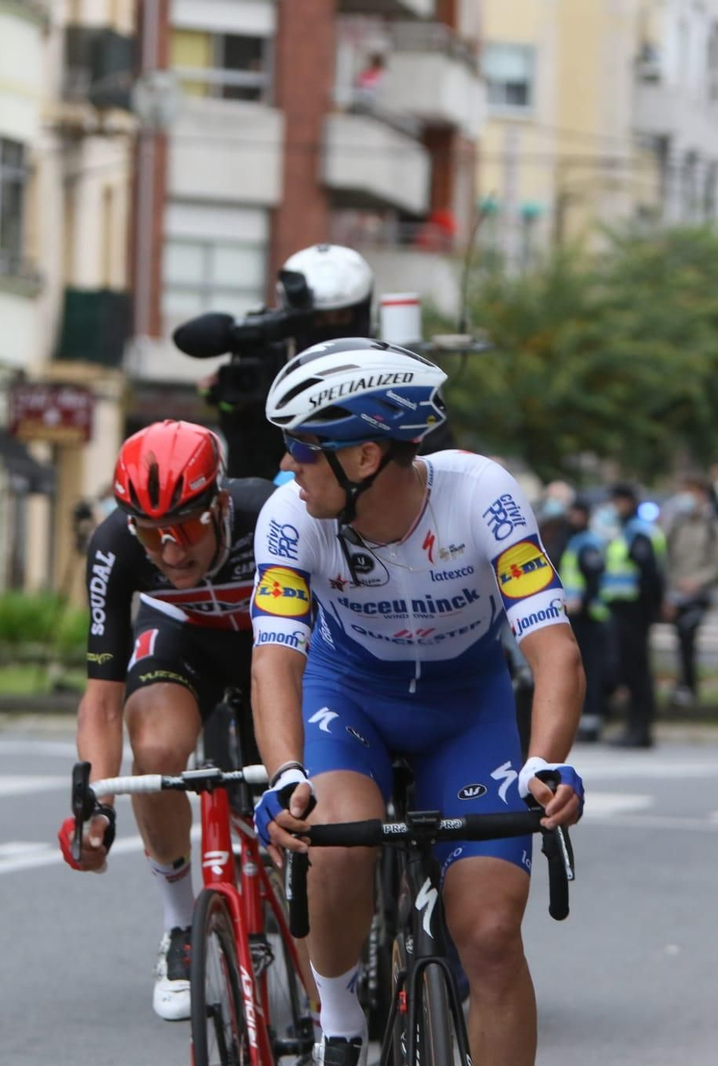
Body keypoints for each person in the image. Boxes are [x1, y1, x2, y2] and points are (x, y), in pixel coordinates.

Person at [250, 339, 585, 1066]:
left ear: (364, 458)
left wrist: (547, 763)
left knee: (492, 936)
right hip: (350, 696)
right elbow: (276, 658)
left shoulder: (481, 493)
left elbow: (553, 647)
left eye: (301, 448)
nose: (286, 466)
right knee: (337, 835)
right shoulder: (288, 514)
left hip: (466, 708)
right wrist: (283, 774)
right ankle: (337, 1020)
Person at [56, 420, 276, 1023]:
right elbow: (101, 700)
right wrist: (95, 807)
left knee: (292, 782)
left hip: (273, 647)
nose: (172, 551)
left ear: (221, 504)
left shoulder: (271, 512)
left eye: (186, 528)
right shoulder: (113, 545)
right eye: (153, 537)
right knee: (154, 751)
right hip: (186, 645)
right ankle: (181, 927)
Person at [663, 477, 718, 707]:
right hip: (676, 591)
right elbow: (666, 554)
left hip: (700, 592)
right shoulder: (677, 522)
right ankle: (685, 684)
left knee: (688, 634)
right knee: (680, 639)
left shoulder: (714, 524)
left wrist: (697, 582)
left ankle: (688, 685)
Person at [604, 484, 663, 749]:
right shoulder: (626, 531)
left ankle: (640, 729)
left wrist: (651, 608)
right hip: (623, 609)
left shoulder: (638, 533)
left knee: (637, 672)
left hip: (634, 611)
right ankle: (635, 728)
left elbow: (650, 573)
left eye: (618, 501)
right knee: (630, 670)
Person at [559, 501, 613, 740]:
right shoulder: (574, 541)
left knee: (590, 669)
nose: (572, 517)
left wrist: (584, 601)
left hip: (589, 616)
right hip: (575, 615)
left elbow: (594, 578)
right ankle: (584, 721)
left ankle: (592, 722)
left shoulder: (588, 543)